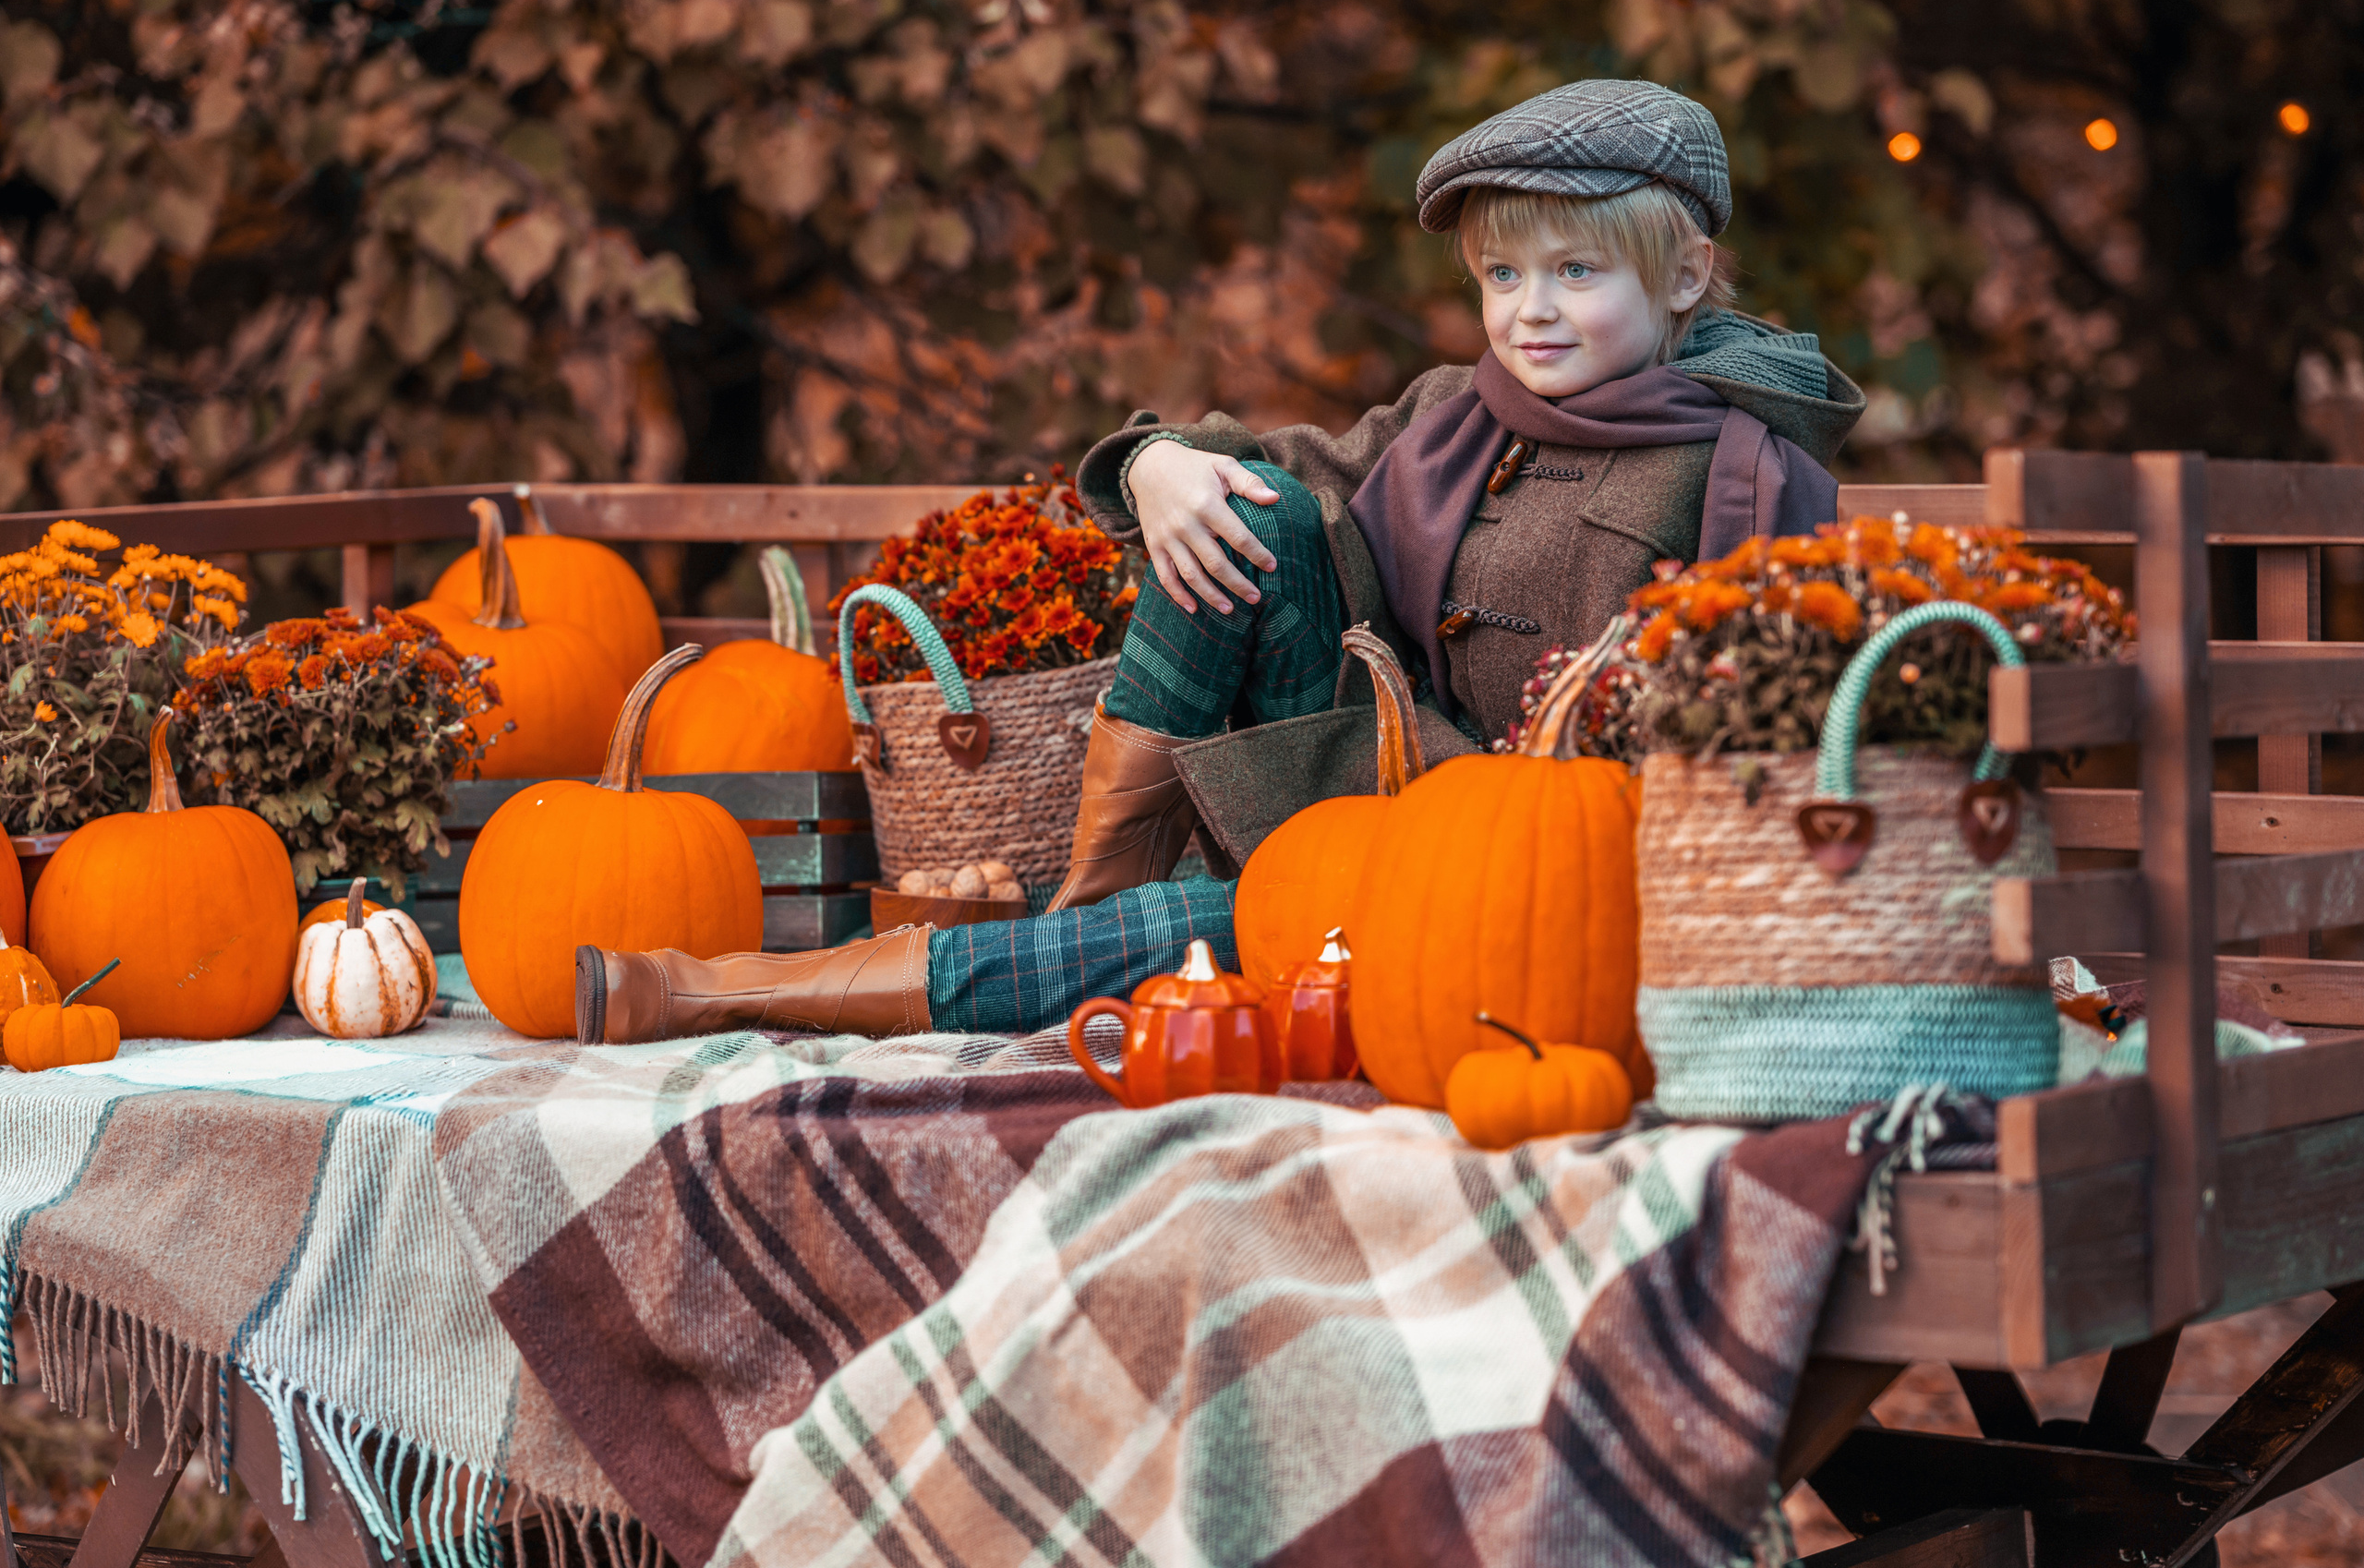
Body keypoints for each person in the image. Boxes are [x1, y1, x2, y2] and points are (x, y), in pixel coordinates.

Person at [571, 78, 1866, 1047]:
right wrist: (1155, 465)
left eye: (1576, 271)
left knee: (1209, 930)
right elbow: (1286, 472)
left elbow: (1733, 733)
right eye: (1503, 273)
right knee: (1251, 506)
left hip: (1516, 879)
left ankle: (715, 991)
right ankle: (1091, 896)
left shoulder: (1738, 476)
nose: (1529, 310)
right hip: (1355, 782)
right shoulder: (1458, 414)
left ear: (1687, 270)